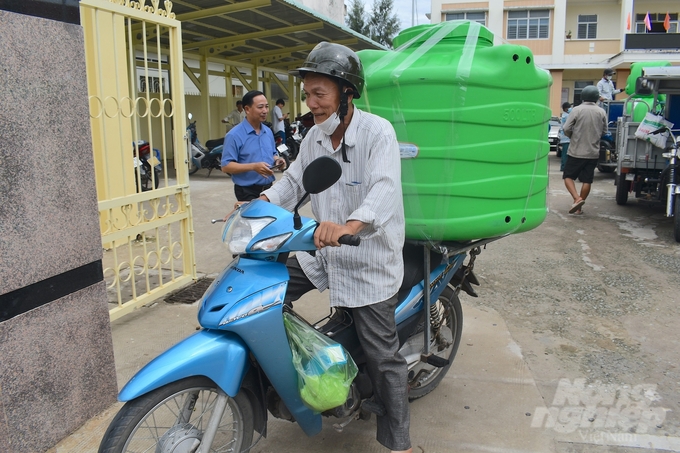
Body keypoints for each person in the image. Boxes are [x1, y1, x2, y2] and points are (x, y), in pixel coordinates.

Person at [240, 42, 410, 453]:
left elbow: (384, 190)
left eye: (320, 94)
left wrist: (350, 225)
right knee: (263, 292)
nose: (312, 103)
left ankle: (399, 442)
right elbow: (295, 182)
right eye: (308, 94)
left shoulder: (377, 133)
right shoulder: (315, 136)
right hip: (321, 251)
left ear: (346, 93)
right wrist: (260, 204)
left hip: (367, 256)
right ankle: (298, 370)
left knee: (383, 354)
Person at [221, 91, 286, 201]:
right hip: (247, 191)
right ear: (247, 109)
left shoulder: (268, 131)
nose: (265, 111)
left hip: (268, 189)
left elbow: (273, 153)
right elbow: (226, 166)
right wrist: (253, 167)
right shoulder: (234, 135)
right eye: (260, 107)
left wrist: (277, 160)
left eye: (266, 106)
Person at [563, 85, 608, 215]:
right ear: (596, 98)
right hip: (593, 152)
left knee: (568, 176)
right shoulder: (601, 112)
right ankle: (579, 208)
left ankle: (577, 199)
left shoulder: (576, 110)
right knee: (587, 180)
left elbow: (566, 128)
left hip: (576, 150)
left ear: (582, 96)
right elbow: (604, 131)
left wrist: (573, 136)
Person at [559, 102, 571, 171]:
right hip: (566, 138)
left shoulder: (565, 115)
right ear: (566, 109)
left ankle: (564, 166)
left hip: (565, 138)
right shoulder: (566, 116)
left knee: (565, 153)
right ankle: (564, 167)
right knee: (565, 154)